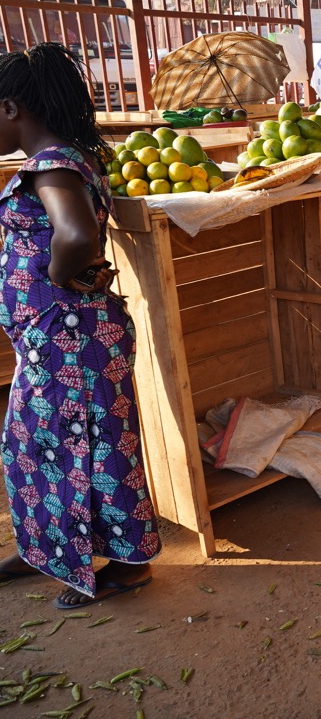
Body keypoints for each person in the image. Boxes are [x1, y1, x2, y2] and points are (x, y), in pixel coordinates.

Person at [0, 43, 160, 608]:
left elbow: (75, 236)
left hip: (72, 338)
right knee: (38, 442)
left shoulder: (52, 166)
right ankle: (46, 543)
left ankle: (127, 565)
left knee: (97, 449)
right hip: (62, 337)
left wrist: (55, 277)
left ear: (13, 108)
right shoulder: (69, 156)